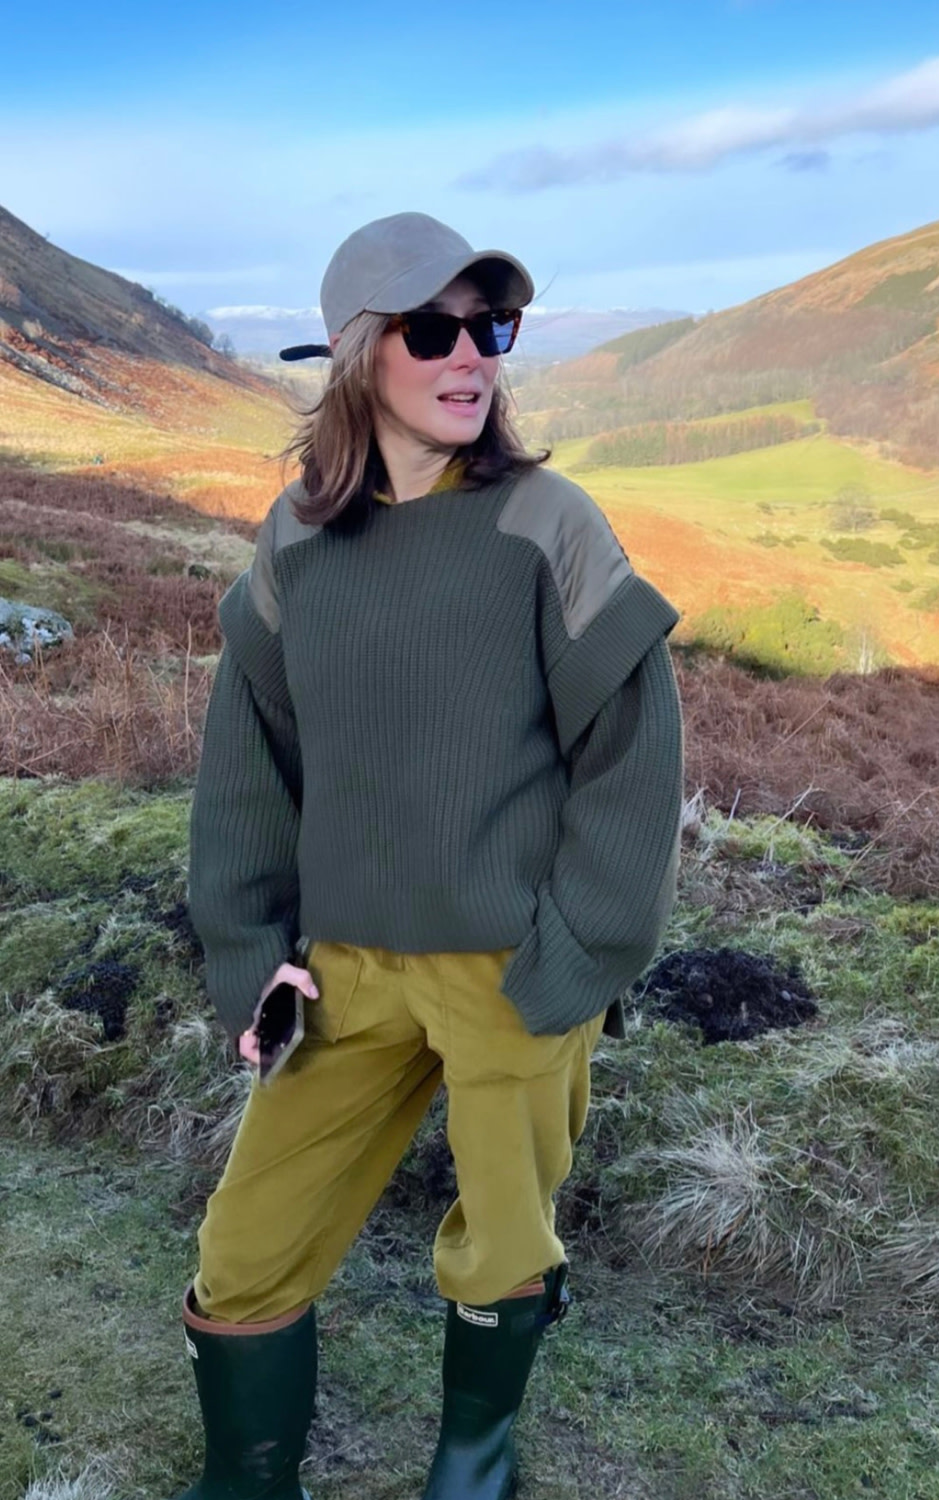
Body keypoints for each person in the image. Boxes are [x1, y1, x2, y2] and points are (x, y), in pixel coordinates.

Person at [178, 210, 684, 1500]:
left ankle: (475, 1465)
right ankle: (248, 1477)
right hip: (343, 971)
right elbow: (249, 765)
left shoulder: (546, 522)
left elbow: (631, 753)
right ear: (358, 353)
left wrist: (577, 954)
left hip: (512, 969)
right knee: (247, 1244)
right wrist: (249, 958)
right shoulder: (296, 540)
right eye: (432, 330)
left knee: (500, 1244)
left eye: (490, 328)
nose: (471, 357)